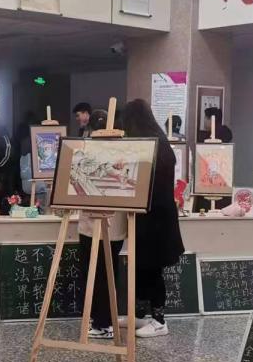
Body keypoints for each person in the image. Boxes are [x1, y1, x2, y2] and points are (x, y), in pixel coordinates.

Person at [121, 99, 184, 338]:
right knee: (141, 267)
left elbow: (145, 185)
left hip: (156, 220)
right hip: (149, 218)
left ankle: (159, 321)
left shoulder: (153, 146)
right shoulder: (157, 142)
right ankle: (139, 314)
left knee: (152, 269)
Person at [78, 110, 127, 338]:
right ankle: (102, 319)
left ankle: (102, 323)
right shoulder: (127, 151)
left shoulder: (90, 152)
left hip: (97, 225)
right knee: (106, 272)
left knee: (98, 274)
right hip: (112, 225)